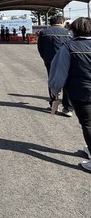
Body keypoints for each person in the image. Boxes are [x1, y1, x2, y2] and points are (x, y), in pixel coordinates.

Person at [49, 17, 91, 172]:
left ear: (73, 30)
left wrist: (55, 92)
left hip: (81, 92)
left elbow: (59, 73)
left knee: (87, 124)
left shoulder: (68, 47)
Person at [38, 15, 73, 116]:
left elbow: (40, 48)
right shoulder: (68, 33)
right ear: (62, 22)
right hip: (67, 60)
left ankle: (54, 105)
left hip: (50, 60)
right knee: (67, 81)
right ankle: (67, 108)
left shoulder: (44, 32)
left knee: (52, 80)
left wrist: (45, 58)